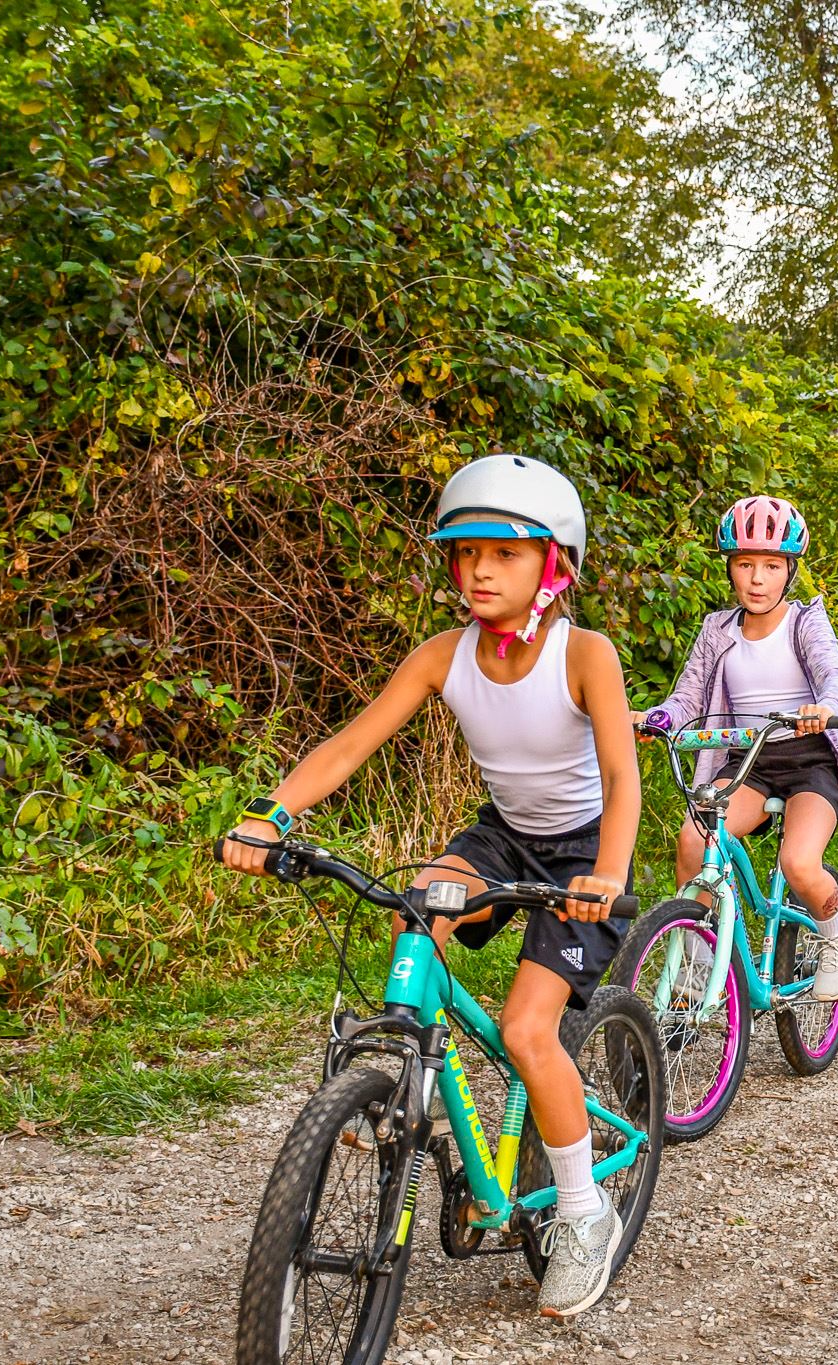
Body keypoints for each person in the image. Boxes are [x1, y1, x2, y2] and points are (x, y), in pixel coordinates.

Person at [220, 454, 641, 1319]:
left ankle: (583, 1209)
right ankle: (401, 1079)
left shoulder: (584, 654)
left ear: (553, 565)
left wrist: (605, 873)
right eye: (465, 552)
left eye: (505, 553)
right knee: (419, 908)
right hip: (503, 836)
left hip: (583, 852)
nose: (479, 569)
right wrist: (272, 816)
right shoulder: (445, 654)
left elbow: (621, 776)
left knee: (528, 1027)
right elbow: (347, 745)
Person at [638, 496, 838, 1001]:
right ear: (730, 569)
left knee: (799, 863)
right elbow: (688, 694)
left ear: (790, 570)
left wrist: (825, 706)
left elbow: (833, 672)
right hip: (748, 763)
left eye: (770, 566)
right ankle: (696, 966)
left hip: (808, 762)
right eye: (745, 564)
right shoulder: (717, 630)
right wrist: (661, 718)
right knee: (694, 840)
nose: (757, 579)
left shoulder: (805, 622)